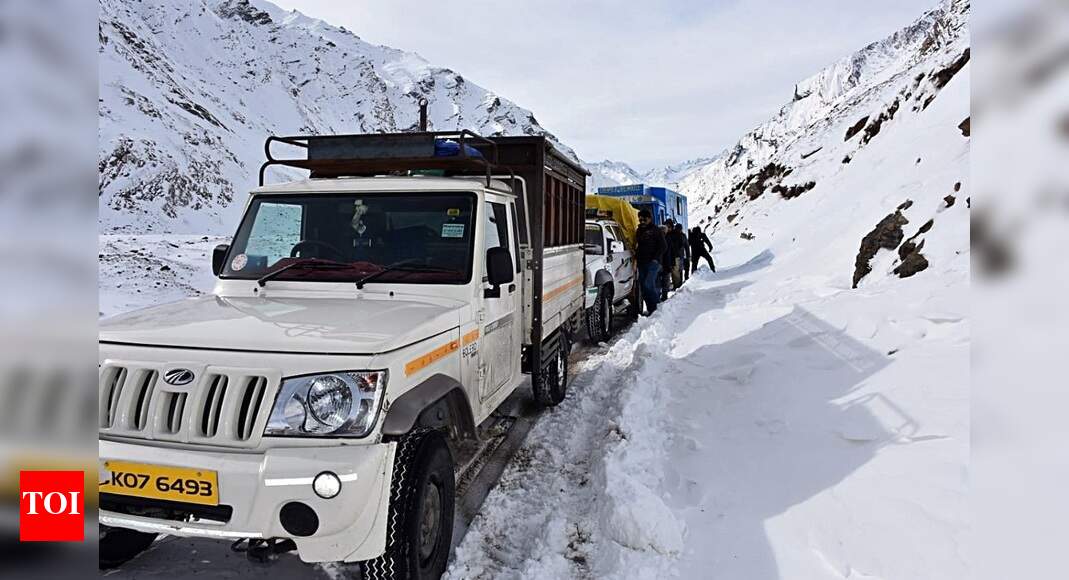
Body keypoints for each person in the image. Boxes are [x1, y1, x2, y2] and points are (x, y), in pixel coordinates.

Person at [635, 209, 667, 315]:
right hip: (641, 262)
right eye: (640, 220)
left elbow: (663, 246)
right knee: (643, 287)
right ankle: (651, 309)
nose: (642, 222)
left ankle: (658, 308)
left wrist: (655, 258)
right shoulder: (638, 231)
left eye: (644, 219)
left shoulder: (656, 230)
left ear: (649, 219)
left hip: (653, 262)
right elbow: (638, 245)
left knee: (649, 284)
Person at [667, 223, 688, 287]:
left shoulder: (671, 235)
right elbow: (686, 246)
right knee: (679, 271)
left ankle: (677, 286)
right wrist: (688, 256)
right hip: (680, 256)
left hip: (675, 256)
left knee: (676, 272)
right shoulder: (683, 235)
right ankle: (679, 285)